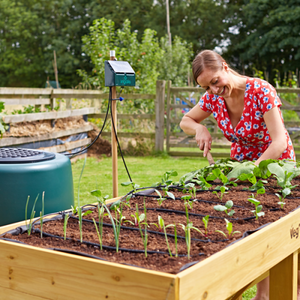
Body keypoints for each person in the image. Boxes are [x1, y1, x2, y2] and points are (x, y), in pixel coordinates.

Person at [180, 50, 296, 300]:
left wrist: (255, 169)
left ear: (224, 66)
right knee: (250, 225)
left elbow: (278, 141)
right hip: (242, 167)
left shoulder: (260, 91)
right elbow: (185, 121)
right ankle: (262, 294)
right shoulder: (213, 98)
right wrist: (199, 127)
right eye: (206, 87)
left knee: (276, 229)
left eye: (215, 81)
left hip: (275, 165)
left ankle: (288, 289)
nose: (213, 90)